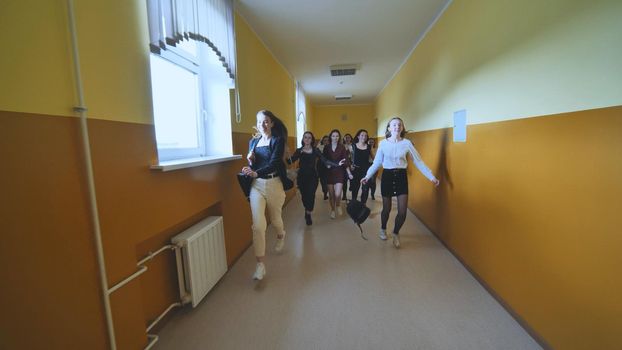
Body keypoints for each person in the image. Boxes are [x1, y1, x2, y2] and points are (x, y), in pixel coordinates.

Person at [362, 117, 440, 248]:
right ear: (389, 128)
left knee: (402, 212)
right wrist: (367, 176)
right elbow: (377, 162)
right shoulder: (383, 144)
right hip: (387, 175)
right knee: (386, 209)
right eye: (394, 125)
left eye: (399, 125)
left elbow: (418, 161)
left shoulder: (407, 143)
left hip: (401, 177)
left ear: (402, 128)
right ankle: (382, 228)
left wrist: (431, 177)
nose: (397, 127)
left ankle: (396, 233)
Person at [242, 110, 292, 280]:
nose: (262, 125)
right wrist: (250, 161)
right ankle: (260, 265)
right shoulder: (253, 141)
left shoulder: (278, 140)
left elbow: (275, 163)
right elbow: (254, 162)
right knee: (258, 226)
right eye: (259, 121)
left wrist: (256, 173)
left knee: (276, 219)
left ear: (271, 123)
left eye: (265, 121)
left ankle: (281, 234)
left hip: (274, 184)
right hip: (256, 187)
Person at [288, 132, 340, 226]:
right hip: (302, 177)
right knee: (304, 197)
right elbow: (290, 161)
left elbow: (324, 160)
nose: (307, 139)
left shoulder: (315, 150)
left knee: (311, 195)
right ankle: (306, 209)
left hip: (313, 177)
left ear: (312, 140)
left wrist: (336, 164)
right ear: (303, 139)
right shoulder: (299, 150)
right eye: (305, 137)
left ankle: (308, 213)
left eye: (309, 138)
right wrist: (285, 153)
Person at [323, 129, 351, 219]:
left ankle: (338, 205)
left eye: (337, 136)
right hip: (329, 172)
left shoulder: (342, 147)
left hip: (339, 172)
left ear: (339, 137)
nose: (335, 138)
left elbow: (345, 160)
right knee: (331, 195)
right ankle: (332, 210)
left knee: (338, 194)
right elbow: (324, 159)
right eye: (333, 136)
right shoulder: (326, 147)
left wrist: (349, 173)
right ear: (331, 137)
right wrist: (326, 165)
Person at [349, 129, 372, 204]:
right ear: (358, 136)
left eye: (365, 135)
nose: (364, 137)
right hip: (355, 170)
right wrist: (350, 166)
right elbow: (347, 158)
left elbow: (374, 159)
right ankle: (354, 205)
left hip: (366, 171)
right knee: (355, 189)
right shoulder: (352, 146)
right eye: (362, 135)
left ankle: (363, 205)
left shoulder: (368, 147)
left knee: (365, 189)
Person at [316, 135, 330, 200]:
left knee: (329, 181)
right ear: (322, 141)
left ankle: (329, 192)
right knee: (323, 181)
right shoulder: (319, 147)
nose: (326, 142)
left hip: (330, 166)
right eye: (325, 140)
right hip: (321, 166)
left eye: (327, 140)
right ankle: (325, 192)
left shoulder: (332, 147)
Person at [342, 133, 354, 201]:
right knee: (344, 181)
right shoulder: (342, 146)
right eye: (346, 137)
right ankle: (344, 195)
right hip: (344, 164)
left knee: (352, 179)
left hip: (351, 164)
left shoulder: (353, 146)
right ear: (344, 139)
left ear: (351, 138)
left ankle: (352, 187)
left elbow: (354, 156)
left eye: (349, 137)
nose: (347, 138)